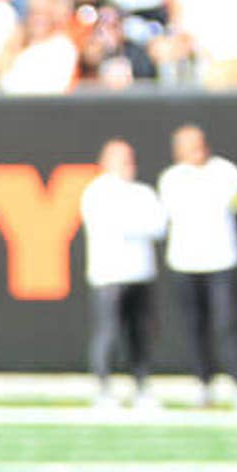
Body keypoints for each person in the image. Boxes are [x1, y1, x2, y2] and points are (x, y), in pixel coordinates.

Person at [159, 124, 237, 408]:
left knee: (227, 324)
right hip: (185, 262)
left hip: (222, 260)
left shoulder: (227, 172)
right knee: (195, 327)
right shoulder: (171, 179)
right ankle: (203, 383)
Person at [78, 138, 165, 407]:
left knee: (140, 334)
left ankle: (141, 387)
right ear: (106, 162)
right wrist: (136, 224)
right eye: (122, 159)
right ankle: (103, 388)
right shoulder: (96, 192)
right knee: (109, 333)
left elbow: (159, 226)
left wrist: (134, 224)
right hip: (109, 275)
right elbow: (113, 226)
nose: (129, 164)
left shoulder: (143, 192)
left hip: (140, 273)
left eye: (130, 158)